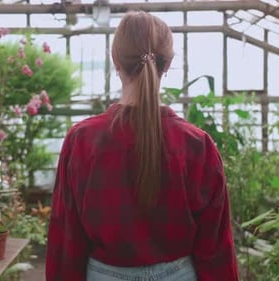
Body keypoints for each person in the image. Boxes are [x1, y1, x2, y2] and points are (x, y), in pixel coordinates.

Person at [46, 11, 238, 281]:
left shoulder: (82, 140)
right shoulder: (197, 145)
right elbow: (215, 246)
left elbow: (66, 239)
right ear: (168, 63)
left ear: (115, 60)